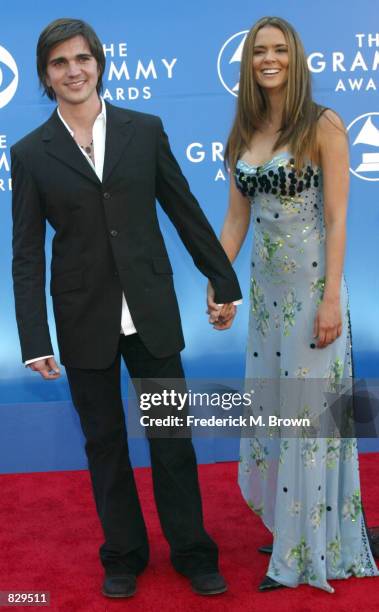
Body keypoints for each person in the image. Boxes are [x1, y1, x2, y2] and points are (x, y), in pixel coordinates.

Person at [11, 18, 241, 598]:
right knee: (104, 443)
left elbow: (184, 209)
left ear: (99, 64)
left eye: (82, 59)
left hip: (151, 312)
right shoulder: (31, 154)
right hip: (82, 318)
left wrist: (223, 278)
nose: (73, 71)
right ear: (45, 75)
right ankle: (123, 555)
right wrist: (34, 338)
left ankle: (192, 551)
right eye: (60, 63)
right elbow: (26, 256)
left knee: (171, 439)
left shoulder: (145, 130)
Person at [209, 15, 379, 592]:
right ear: (249, 62)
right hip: (265, 298)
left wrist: (332, 297)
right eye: (259, 51)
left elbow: (336, 219)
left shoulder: (323, 124)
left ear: (295, 57)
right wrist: (218, 278)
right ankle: (292, 525)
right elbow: (236, 219)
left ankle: (309, 548)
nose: (268, 59)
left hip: (312, 295)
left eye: (279, 49)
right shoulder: (243, 131)